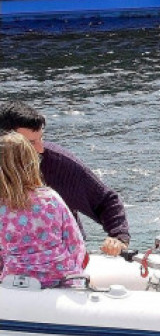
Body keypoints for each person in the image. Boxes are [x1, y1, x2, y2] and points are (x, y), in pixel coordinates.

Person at [0, 102, 130, 256]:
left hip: (62, 262)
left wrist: (118, 237)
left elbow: (106, 200)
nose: (39, 149)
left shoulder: (59, 164)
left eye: (41, 139)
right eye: (30, 143)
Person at [0, 132, 87, 287]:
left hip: (13, 280)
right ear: (32, 162)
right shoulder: (50, 199)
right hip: (59, 278)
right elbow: (74, 243)